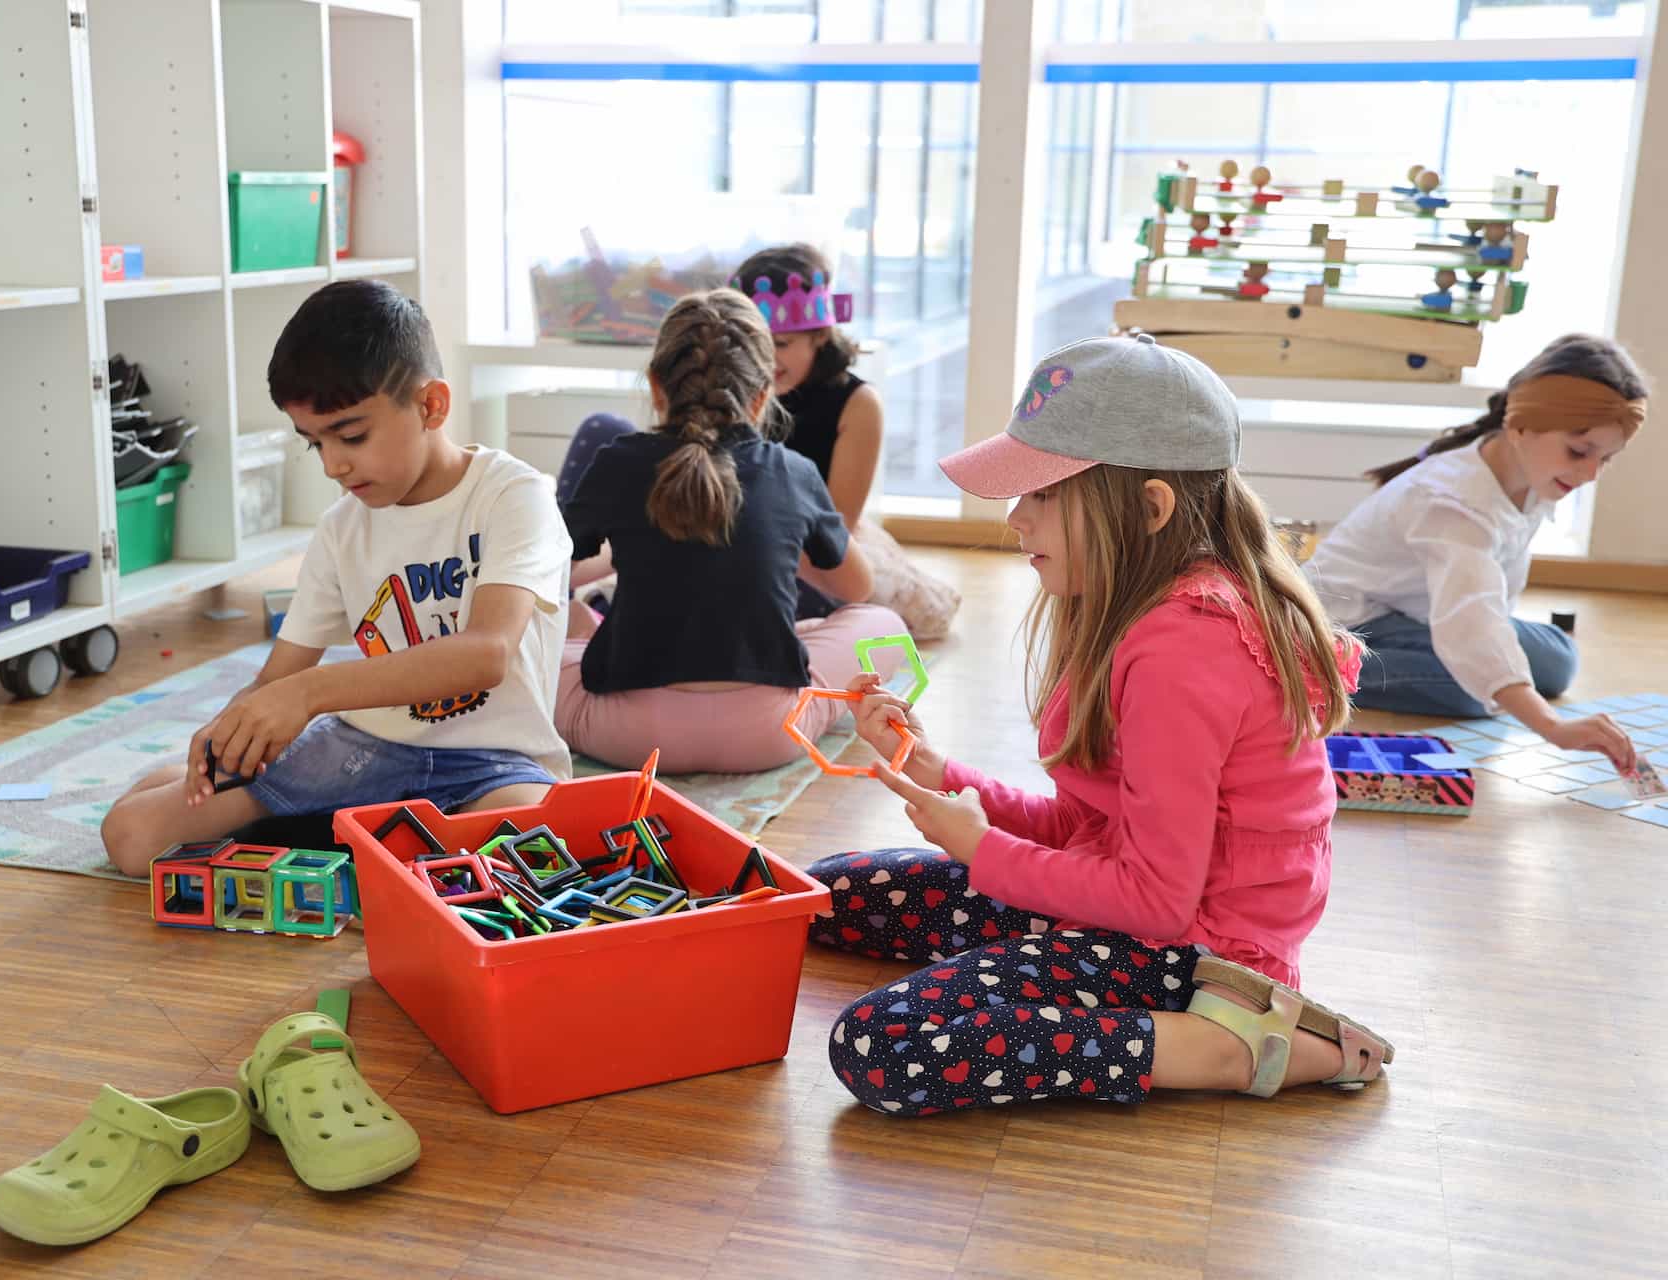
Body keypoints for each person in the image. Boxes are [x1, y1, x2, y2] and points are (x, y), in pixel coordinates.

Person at [810, 334, 1391, 1115]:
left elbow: (1155, 903)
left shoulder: (1184, 653)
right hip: (1136, 907)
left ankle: (1226, 1045)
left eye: (1042, 494)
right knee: (824, 893)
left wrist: (981, 847)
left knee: (883, 1047)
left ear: (1149, 507)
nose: (1016, 518)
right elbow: (1091, 827)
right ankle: (1046, 968)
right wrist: (938, 773)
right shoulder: (1136, 614)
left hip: (1197, 952)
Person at [101, 281, 572, 877]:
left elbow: (486, 654)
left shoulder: (515, 496)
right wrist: (228, 728)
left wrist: (310, 694)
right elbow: (279, 678)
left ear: (431, 406)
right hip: (354, 756)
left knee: (532, 855)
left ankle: (323, 830)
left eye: (351, 436)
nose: (333, 465)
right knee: (131, 837)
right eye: (313, 443)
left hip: (493, 762)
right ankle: (332, 826)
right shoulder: (341, 528)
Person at [555, 288, 904, 773]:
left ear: (657, 386)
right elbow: (856, 588)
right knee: (883, 626)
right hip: (770, 735)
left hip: (629, 738)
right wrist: (788, 538)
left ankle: (589, 629)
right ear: (764, 395)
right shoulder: (792, 471)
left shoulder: (617, 460)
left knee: (542, 636)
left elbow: (553, 572)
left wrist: (625, 551)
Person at [1305, 333, 1647, 770]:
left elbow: (1487, 605)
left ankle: (1492, 675)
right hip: (1355, 619)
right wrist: (1551, 726)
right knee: (1476, 691)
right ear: (1521, 425)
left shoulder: (1532, 470)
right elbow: (1471, 623)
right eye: (1580, 452)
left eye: (1606, 459)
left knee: (1556, 659)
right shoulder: (1454, 503)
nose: (1591, 473)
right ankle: (1310, 666)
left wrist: (1506, 671)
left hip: (1422, 610)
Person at [729, 242, 962, 639]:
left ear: (820, 334)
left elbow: (837, 527)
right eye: (753, 345)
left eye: (781, 344)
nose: (765, 360)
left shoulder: (857, 404)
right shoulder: (733, 383)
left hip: (812, 546)